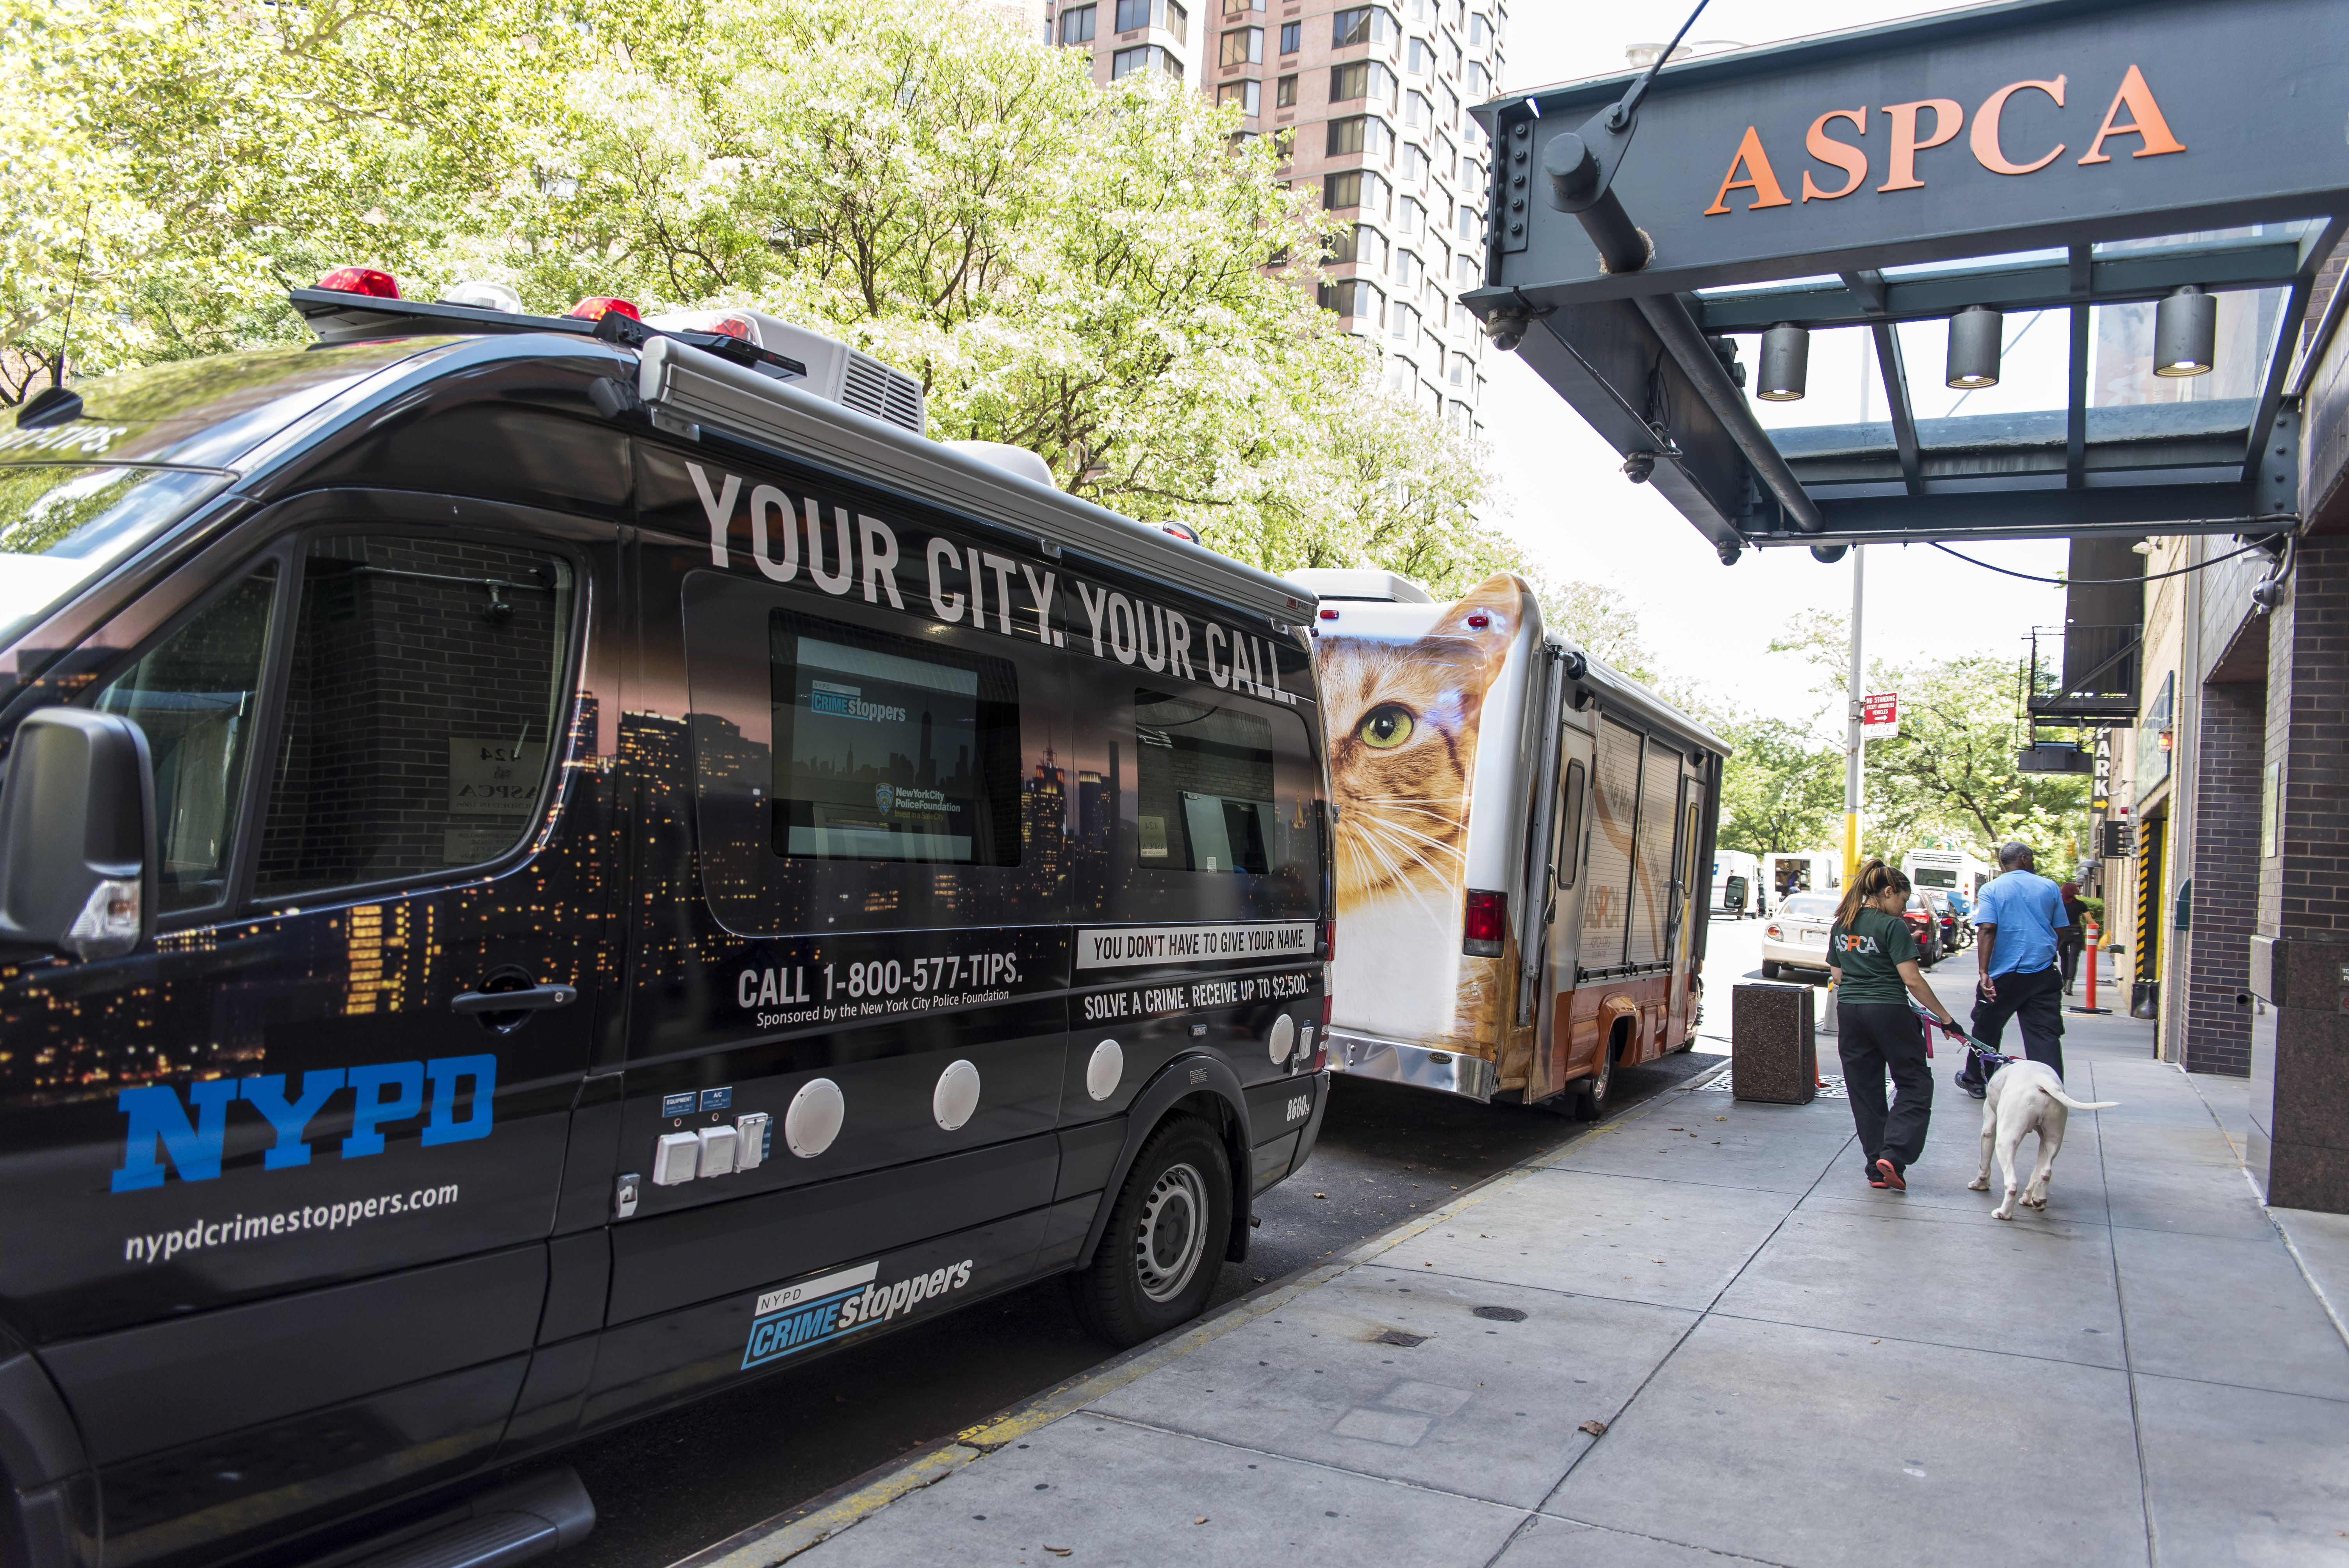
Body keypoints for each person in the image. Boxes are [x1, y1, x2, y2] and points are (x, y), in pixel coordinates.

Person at [1828, 859, 1961, 1192]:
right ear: (1888, 892)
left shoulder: (1842, 924)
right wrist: (1947, 1019)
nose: (1903, 909)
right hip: (1888, 1010)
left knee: (1865, 1089)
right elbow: (1912, 981)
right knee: (1915, 1082)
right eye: (1903, 900)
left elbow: (1838, 976)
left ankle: (1876, 1168)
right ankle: (1895, 1153)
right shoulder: (1892, 927)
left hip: (1851, 1013)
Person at [1971, 841, 2071, 1078]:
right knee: (2044, 1034)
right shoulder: (2049, 887)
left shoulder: (1991, 889)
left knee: (1987, 1029)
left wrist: (1984, 971)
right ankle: (2050, 1088)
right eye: (2032, 859)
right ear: (2025, 859)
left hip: (2002, 976)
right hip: (2043, 973)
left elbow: (1987, 929)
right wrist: (2048, 951)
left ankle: (1977, 1080)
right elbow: (2061, 929)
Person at [2056, 880, 2089, 993]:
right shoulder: (2081, 905)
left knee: (2064, 958)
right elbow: (2090, 921)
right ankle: (2070, 984)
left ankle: (2064, 982)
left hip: (2062, 932)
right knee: (2074, 959)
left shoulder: (2059, 904)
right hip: (2077, 933)